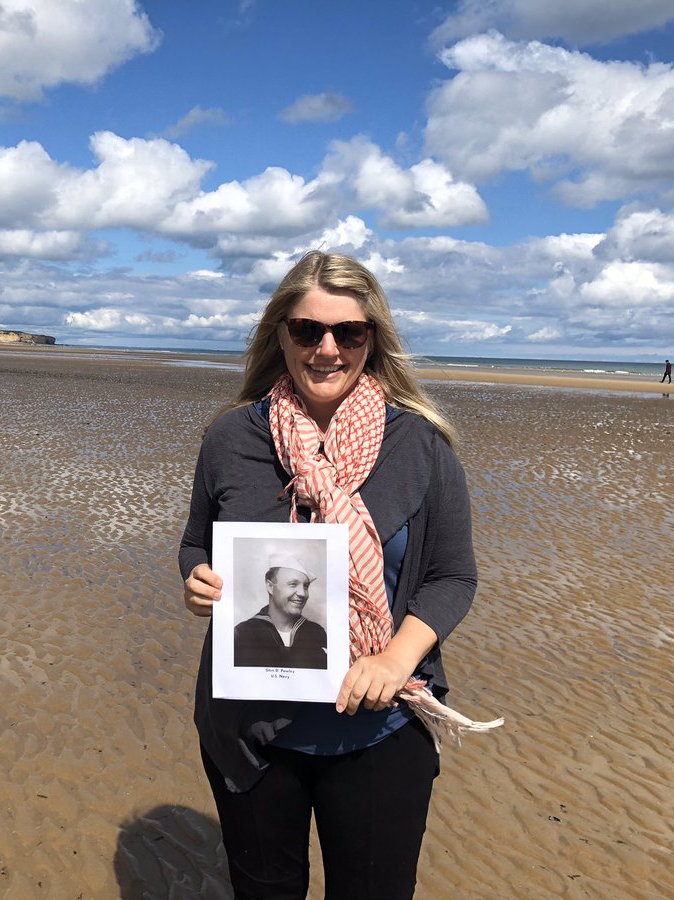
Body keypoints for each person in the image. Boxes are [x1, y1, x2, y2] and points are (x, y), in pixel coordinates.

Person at [180, 251, 479, 899]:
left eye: (349, 332)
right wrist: (198, 578)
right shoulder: (231, 438)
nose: (327, 348)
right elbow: (194, 544)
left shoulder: (422, 446)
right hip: (253, 735)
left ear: (373, 340)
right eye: (306, 330)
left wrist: (398, 658)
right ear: (279, 334)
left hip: (379, 729)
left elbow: (453, 576)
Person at [234, 551, 327, 669]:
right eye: (293, 584)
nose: (302, 593)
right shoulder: (243, 634)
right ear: (270, 587)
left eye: (305, 586)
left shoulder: (316, 633)